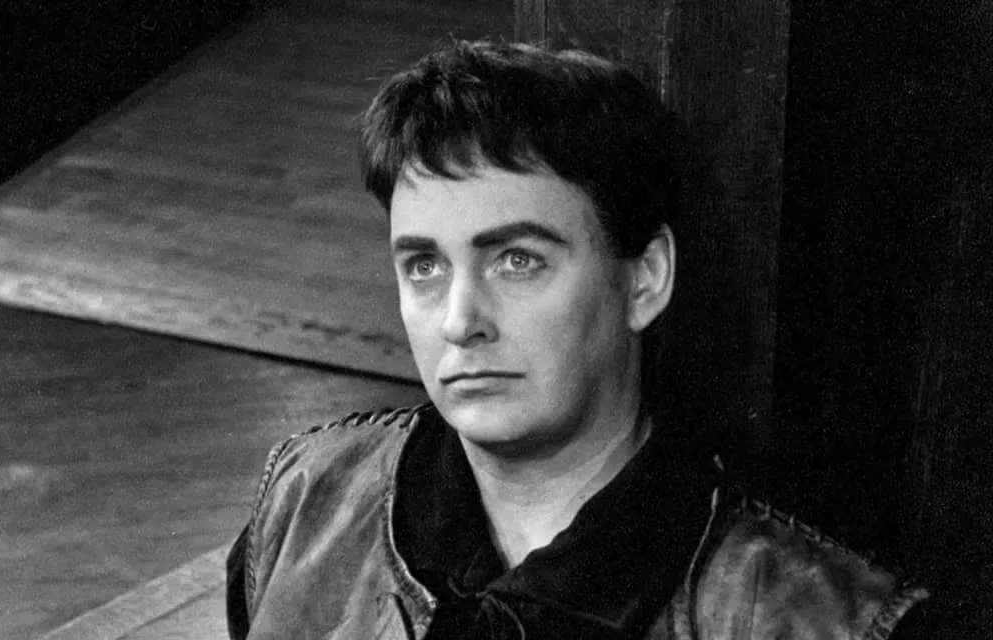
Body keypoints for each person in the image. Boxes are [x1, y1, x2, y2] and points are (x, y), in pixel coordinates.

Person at [225, 40, 929, 639]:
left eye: (517, 260)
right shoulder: (309, 500)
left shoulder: (808, 617)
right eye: (425, 266)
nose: (459, 321)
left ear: (645, 279)